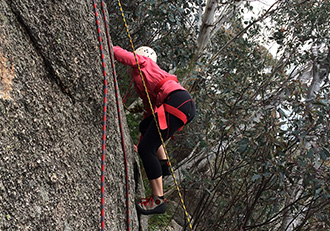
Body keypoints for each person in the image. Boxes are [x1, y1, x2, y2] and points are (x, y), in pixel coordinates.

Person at [113, 45, 196, 215]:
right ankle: (164, 164)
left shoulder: (144, 62)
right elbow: (148, 117)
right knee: (145, 129)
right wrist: (140, 143)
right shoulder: (146, 82)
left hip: (177, 101)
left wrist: (108, 45)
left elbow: (121, 54)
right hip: (180, 103)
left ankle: (158, 200)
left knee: (146, 149)